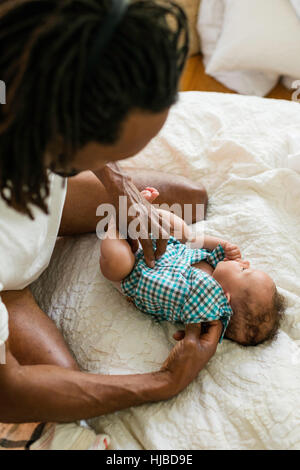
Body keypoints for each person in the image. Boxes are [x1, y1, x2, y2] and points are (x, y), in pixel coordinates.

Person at [0, 0, 222, 427]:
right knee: (60, 394)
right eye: (112, 151)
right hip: (7, 280)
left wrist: (121, 187)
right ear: (58, 137)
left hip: (31, 185)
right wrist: (165, 382)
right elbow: (8, 392)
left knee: (190, 198)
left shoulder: (26, 55)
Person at [101, 187, 286, 347]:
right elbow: (197, 242)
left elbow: (199, 330)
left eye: (244, 270)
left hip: (134, 273)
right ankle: (145, 212)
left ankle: (115, 225)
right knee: (184, 231)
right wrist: (224, 245)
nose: (245, 263)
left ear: (224, 296)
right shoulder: (214, 265)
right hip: (163, 245)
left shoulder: (205, 304)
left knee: (117, 263)